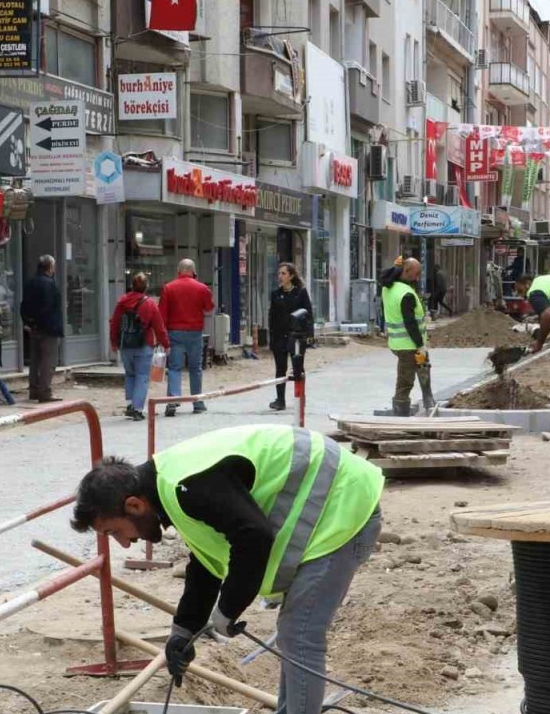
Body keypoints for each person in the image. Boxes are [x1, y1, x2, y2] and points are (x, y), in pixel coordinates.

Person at [69, 424, 383, 714]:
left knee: (300, 634)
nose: (124, 544)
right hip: (331, 507)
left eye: (115, 532)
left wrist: (227, 609)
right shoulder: (172, 490)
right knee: (294, 633)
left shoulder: (187, 485)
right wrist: (183, 631)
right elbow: (205, 563)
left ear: (135, 505)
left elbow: (253, 537)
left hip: (344, 506)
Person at [110, 273, 169, 421]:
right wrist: (165, 343)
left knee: (130, 374)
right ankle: (137, 409)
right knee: (142, 377)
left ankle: (130, 404)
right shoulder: (149, 304)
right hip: (144, 344)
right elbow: (159, 326)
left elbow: (115, 323)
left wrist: (114, 342)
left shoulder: (122, 302)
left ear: (132, 285)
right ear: (146, 287)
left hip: (125, 345)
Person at [159, 259, 214, 417]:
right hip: (194, 332)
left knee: (175, 367)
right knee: (195, 368)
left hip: (174, 332)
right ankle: (197, 402)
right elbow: (209, 307)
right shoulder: (201, 288)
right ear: (193, 271)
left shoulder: (168, 288)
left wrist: (162, 336)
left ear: (178, 270)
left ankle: (173, 399)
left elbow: (162, 313)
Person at [382, 257, 435, 415]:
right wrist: (420, 345)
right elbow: (410, 323)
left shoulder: (388, 288)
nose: (417, 277)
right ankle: (400, 414)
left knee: (423, 366)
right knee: (405, 381)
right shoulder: (406, 294)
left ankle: (429, 400)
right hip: (408, 345)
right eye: (416, 273)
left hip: (398, 343)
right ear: (406, 271)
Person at [267, 263, 312, 411]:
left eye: (284, 273)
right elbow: (272, 316)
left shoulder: (300, 293)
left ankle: (300, 398)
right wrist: (271, 337)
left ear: (291, 276)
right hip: (279, 336)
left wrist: (309, 336)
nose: (280, 276)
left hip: (296, 336)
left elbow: (308, 314)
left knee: (298, 368)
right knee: (280, 368)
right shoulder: (275, 294)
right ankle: (280, 400)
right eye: (279, 273)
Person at [21, 255, 63, 402]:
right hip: (48, 328)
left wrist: (29, 322)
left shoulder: (30, 282)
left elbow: (24, 305)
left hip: (34, 328)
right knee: (48, 361)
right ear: (50, 268)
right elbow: (49, 307)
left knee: (35, 360)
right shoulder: (50, 284)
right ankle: (45, 391)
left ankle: (34, 390)